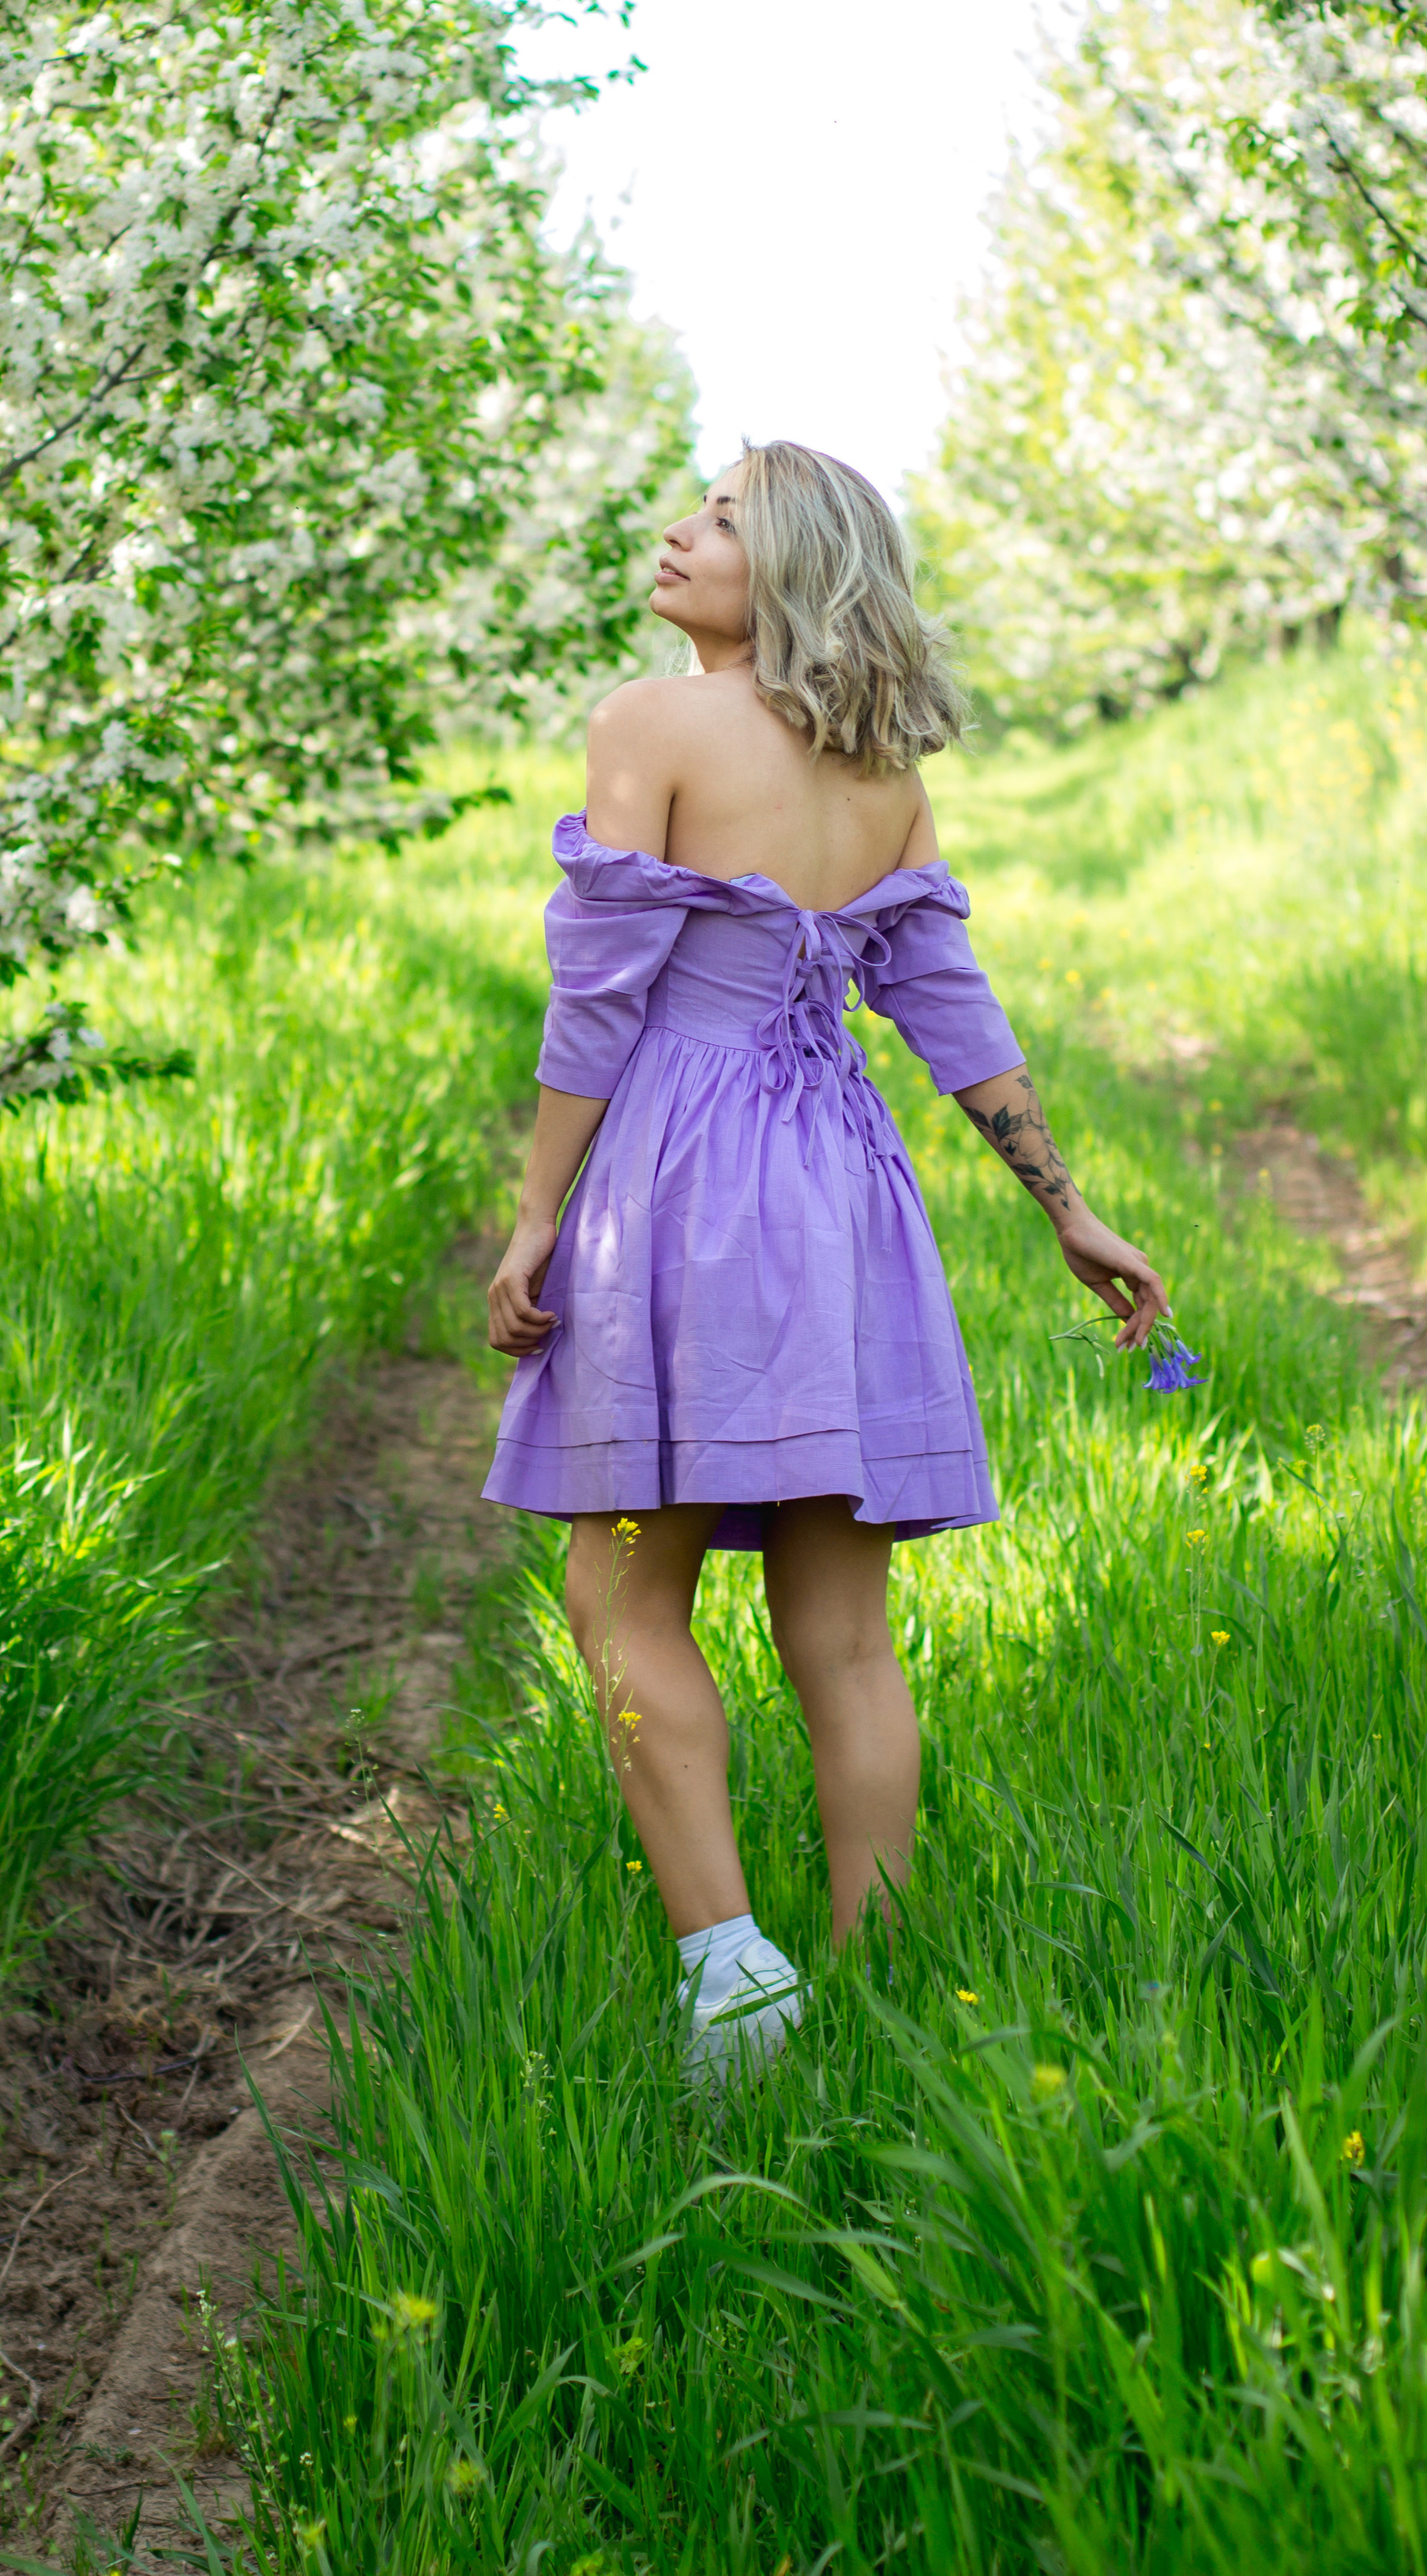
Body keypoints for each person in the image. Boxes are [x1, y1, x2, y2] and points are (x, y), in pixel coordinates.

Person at [482, 441, 1171, 2082]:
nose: (673, 528)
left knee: (617, 1590)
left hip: (681, 1191)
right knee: (839, 1634)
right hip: (841, 1196)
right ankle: (880, 1985)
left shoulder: (650, 723)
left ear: (788, 564)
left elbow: (599, 1007)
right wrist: (1060, 1205)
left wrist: (531, 1222)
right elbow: (945, 1007)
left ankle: (732, 1983)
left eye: (716, 516)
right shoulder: (884, 773)